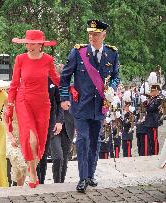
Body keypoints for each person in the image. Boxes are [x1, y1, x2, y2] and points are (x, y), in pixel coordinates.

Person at [59, 19, 120, 193]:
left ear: (104, 35)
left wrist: (112, 88)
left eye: (95, 33)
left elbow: (116, 76)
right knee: (83, 140)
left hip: (100, 106)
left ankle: (91, 175)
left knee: (95, 141)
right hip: (80, 106)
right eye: (90, 33)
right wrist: (64, 97)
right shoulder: (78, 52)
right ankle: (82, 178)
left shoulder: (112, 54)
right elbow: (64, 77)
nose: (92, 37)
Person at [5, 30, 60, 188]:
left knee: (40, 141)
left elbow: (56, 79)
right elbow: (14, 84)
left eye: (31, 43)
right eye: (27, 42)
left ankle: (32, 167)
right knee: (31, 138)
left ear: (40, 45)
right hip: (24, 101)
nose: (28, 45)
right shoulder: (20, 59)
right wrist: (10, 104)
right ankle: (33, 172)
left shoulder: (48, 60)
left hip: (42, 103)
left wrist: (70, 89)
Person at [37, 77, 63, 184]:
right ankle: (37, 179)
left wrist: (59, 121)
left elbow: (59, 101)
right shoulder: (31, 76)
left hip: (49, 120)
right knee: (37, 152)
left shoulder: (53, 80)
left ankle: (41, 181)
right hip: (34, 119)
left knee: (43, 151)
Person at [144, 72, 162, 156]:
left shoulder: (158, 99)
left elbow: (151, 108)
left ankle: (155, 153)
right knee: (150, 139)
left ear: (156, 91)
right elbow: (146, 107)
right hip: (148, 121)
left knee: (154, 139)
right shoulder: (151, 99)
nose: (151, 92)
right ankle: (150, 153)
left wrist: (148, 102)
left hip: (153, 121)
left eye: (153, 90)